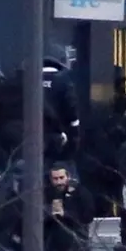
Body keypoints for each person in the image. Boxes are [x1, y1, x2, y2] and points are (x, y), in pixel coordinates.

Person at [43, 43, 80, 177]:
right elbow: (71, 110)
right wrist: (74, 136)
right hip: (59, 138)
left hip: (31, 138)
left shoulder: (29, 79)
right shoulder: (63, 80)